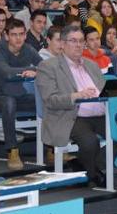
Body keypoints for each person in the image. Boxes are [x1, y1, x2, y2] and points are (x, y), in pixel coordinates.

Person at [37, 25, 107, 187]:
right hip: (70, 115)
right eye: (73, 41)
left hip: (101, 113)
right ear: (62, 43)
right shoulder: (48, 66)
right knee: (89, 142)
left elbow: (103, 90)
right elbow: (50, 100)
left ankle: (86, 165)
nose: (78, 45)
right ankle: (91, 172)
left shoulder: (91, 65)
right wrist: (76, 96)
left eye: (81, 41)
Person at [0, 19, 41, 169]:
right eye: (14, 34)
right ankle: (12, 150)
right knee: (9, 102)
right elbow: (7, 73)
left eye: (21, 34)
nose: (18, 38)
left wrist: (35, 71)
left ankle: (50, 147)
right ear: (6, 36)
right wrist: (30, 72)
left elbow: (46, 67)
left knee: (45, 100)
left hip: (19, 96)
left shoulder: (28, 49)